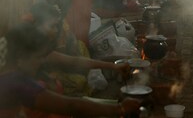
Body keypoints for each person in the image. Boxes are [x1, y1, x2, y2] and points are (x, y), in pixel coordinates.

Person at [0, 23, 140, 118]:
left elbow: (75, 61)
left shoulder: (11, 70)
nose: (42, 61)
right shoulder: (16, 83)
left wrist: (114, 66)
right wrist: (119, 109)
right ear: (20, 57)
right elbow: (72, 106)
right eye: (39, 58)